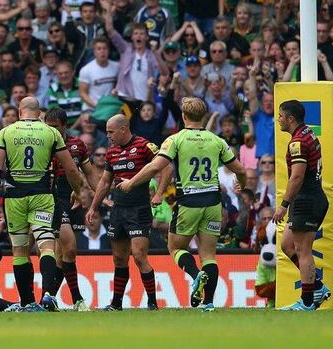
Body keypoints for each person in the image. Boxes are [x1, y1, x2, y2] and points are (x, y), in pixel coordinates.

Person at [117, 97, 247, 312]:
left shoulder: (176, 139)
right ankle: (209, 303)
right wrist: (240, 185)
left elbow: (154, 167)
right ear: (204, 115)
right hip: (214, 201)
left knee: (175, 247)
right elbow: (240, 170)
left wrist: (131, 183)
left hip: (189, 201)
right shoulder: (217, 140)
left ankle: (197, 276)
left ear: (184, 116)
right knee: (208, 255)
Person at [0, 96, 84, 311]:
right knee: (47, 246)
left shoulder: (6, 132)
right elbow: (70, 168)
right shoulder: (51, 133)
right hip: (43, 196)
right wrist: (77, 191)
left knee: (20, 251)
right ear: (39, 113)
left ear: (20, 111)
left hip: (14, 198)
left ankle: (27, 302)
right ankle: (48, 295)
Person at [87, 114, 161, 311]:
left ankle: (152, 302)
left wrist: (159, 193)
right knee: (119, 258)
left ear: (123, 129)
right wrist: (94, 207)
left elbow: (165, 167)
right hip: (119, 209)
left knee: (138, 256)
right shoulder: (111, 153)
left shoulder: (145, 146)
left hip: (139, 209)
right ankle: (116, 304)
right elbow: (104, 182)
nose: (108, 135)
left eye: (111, 131)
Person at [274, 100, 332, 311]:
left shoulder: (297, 142)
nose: (278, 119)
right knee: (287, 245)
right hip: (311, 198)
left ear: (290, 118)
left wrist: (283, 205)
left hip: (307, 199)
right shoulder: (308, 132)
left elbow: (297, 177)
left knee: (303, 250)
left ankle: (307, 302)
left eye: (280, 115)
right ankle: (317, 287)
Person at [45, 108, 100, 312]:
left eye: (55, 128)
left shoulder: (77, 145)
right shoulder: (44, 144)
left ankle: (47, 297)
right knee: (69, 248)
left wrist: (100, 195)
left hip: (73, 198)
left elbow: (90, 173)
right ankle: (77, 299)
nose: (51, 131)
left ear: (65, 126)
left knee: (63, 254)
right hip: (51, 198)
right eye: (48, 127)